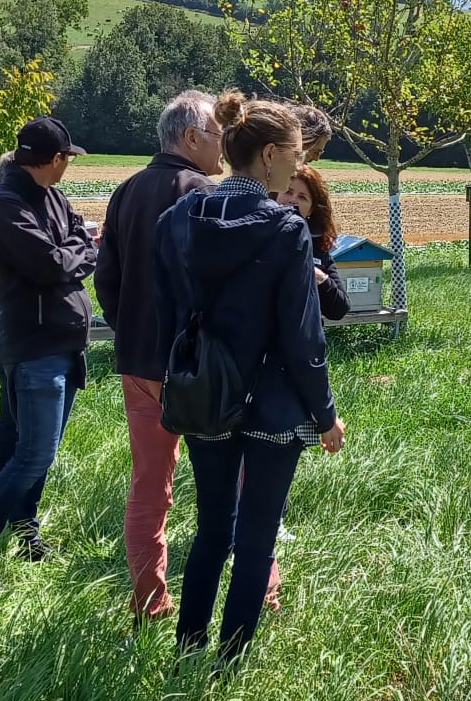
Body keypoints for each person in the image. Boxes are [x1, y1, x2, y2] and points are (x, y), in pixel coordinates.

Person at [154, 92, 347, 662]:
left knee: (212, 529)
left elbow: (169, 312)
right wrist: (325, 414)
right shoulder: (285, 229)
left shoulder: (177, 219)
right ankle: (229, 663)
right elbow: (302, 336)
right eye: (293, 154)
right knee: (256, 537)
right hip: (274, 402)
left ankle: (188, 648)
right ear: (268, 155)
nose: (298, 165)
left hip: (203, 393)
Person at [95, 90, 222, 618]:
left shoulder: (125, 191)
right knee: (229, 485)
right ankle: (263, 594)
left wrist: (134, 327)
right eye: (219, 134)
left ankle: (150, 599)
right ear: (192, 138)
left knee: (150, 487)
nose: (225, 145)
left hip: (140, 363)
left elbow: (106, 280)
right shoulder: (206, 193)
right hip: (203, 367)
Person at [0, 117, 98, 583]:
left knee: (39, 450)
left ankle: (26, 530)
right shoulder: (4, 206)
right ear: (55, 158)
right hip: (35, 347)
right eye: (67, 158)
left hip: (64, 344)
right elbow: (50, 265)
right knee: (34, 454)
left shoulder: (53, 197)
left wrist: (75, 250)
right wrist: (78, 252)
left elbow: (77, 244)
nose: (69, 166)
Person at [277, 164, 351, 323]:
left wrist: (318, 277)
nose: (292, 200)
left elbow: (339, 309)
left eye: (302, 197)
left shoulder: (318, 247)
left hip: (304, 341)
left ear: (311, 210)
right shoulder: (258, 235)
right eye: (288, 191)